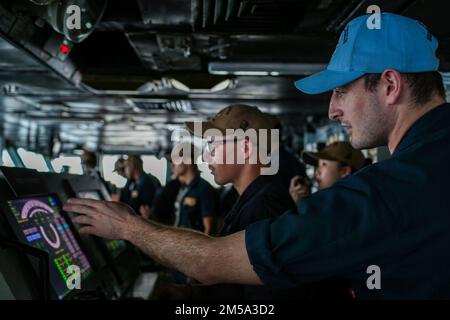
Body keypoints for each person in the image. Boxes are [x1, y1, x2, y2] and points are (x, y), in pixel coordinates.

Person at [66, 13, 450, 299]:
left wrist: (128, 228)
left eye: (342, 90)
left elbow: (214, 264)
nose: (333, 109)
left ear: (389, 84)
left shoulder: (389, 191)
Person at [154, 104, 351, 299]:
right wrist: (191, 294)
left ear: (246, 148)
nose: (206, 156)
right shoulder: (251, 199)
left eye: (212, 145)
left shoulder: (263, 209)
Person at [289, 141, 365, 204]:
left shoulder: (344, 208)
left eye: (324, 164)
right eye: (318, 166)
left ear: (344, 171)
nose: (317, 172)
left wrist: (303, 205)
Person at [170, 143, 218, 235]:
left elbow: (209, 228)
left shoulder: (204, 189)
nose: (172, 165)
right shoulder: (183, 188)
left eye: (176, 160)